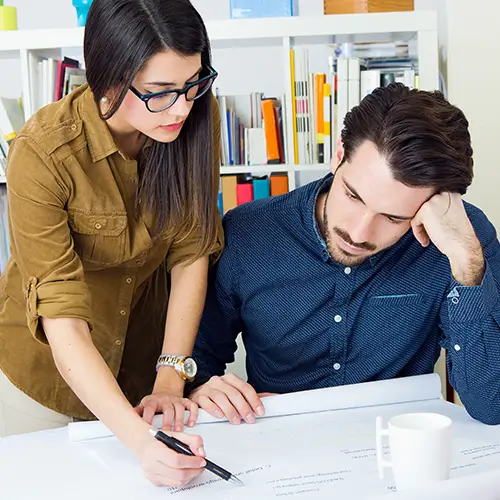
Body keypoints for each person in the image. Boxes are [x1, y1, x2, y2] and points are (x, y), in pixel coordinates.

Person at [0, 0, 222, 488]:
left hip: (144, 373)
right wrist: (143, 444)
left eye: (193, 83)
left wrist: (169, 378)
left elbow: (191, 254)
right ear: (109, 79)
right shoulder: (43, 153)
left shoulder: (195, 116)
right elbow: (63, 324)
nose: (183, 107)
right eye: (161, 92)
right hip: (44, 385)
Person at [188, 83, 500, 427]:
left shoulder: (462, 240)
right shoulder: (248, 233)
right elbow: (198, 360)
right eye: (353, 196)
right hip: (279, 449)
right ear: (338, 156)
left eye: (394, 218)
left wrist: (468, 264)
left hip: (397, 449)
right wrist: (201, 388)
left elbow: (492, 405)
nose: (360, 233)